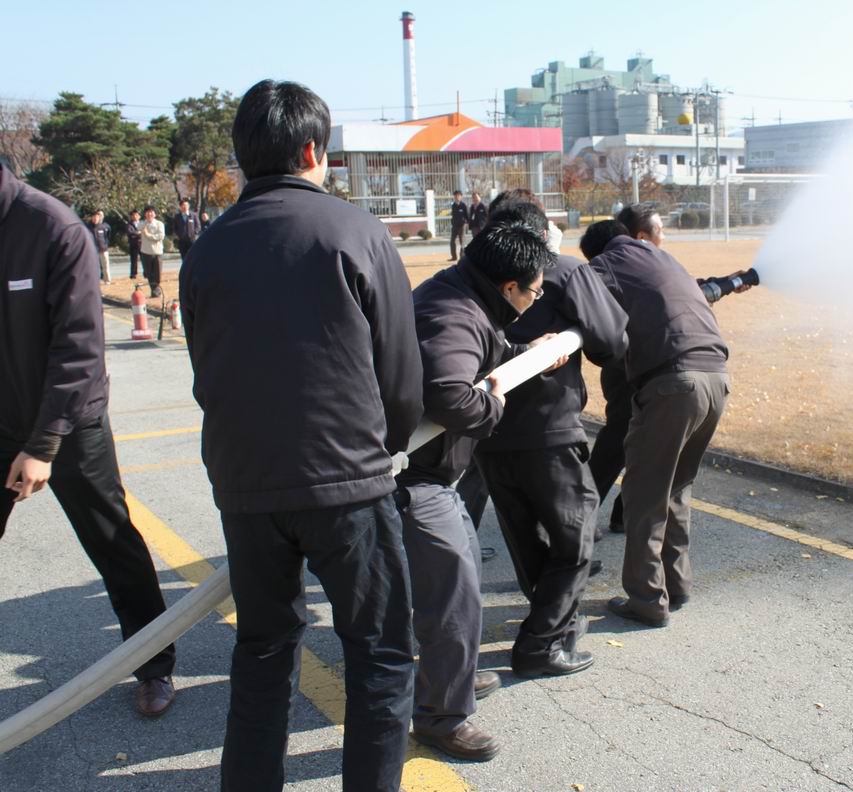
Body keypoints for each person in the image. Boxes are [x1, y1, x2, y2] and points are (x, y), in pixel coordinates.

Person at [180, 79, 423, 792]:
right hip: (347, 477)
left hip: (245, 482)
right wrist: (393, 442)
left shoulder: (206, 249)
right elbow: (401, 372)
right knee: (378, 655)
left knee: (261, 653)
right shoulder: (354, 231)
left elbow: (206, 369)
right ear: (313, 149)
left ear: (242, 155)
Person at [0, 161, 177, 717]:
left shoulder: (53, 229)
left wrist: (43, 445)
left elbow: (78, 350)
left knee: (112, 540)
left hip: (69, 423)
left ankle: (154, 665)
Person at [396, 217, 560, 762]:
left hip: (431, 476)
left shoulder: (463, 296)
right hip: (411, 477)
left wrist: (521, 353)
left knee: (459, 581)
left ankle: (453, 681)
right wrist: (492, 405)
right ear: (509, 286)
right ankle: (441, 717)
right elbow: (450, 393)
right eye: (535, 290)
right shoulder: (453, 314)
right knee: (452, 597)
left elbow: (473, 356)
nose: (536, 297)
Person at [473, 201, 627, 677]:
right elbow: (612, 337)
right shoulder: (561, 269)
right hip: (548, 430)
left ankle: (555, 624)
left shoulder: (466, 278)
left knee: (526, 539)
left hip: (487, 430)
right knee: (575, 538)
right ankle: (541, 643)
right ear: (540, 236)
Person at [584, 220, 731, 628]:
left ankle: (647, 599)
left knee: (643, 495)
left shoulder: (604, 265)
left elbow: (593, 323)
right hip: (717, 379)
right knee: (676, 490)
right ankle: (676, 585)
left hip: (671, 385)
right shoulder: (663, 258)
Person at [588, 205, 753, 536]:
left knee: (649, 451)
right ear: (641, 238)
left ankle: (621, 514)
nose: (664, 236)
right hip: (632, 371)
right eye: (660, 230)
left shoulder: (652, 263)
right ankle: (579, 520)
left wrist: (729, 283)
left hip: (656, 367)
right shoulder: (622, 265)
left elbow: (687, 291)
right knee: (617, 446)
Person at [138, 206, 166, 297]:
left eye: (151, 212)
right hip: (146, 252)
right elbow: (138, 227)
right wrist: (145, 226)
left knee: (157, 272)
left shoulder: (159, 224)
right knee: (149, 272)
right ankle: (153, 290)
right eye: (147, 212)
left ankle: (157, 290)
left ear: (154, 214)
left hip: (157, 252)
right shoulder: (142, 224)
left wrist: (148, 235)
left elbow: (160, 236)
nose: (149, 214)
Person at [89, 209, 112, 283]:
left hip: (103, 249)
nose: (95, 219)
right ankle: (95, 280)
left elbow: (108, 237)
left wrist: (105, 245)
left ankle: (107, 280)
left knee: (106, 266)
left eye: (97, 217)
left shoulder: (105, 226)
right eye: (94, 217)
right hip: (93, 250)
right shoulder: (88, 227)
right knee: (94, 266)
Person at [448, 189, 469, 261]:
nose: (457, 197)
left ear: (461, 197)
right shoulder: (453, 205)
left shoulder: (463, 205)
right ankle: (454, 256)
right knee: (452, 241)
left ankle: (462, 257)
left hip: (462, 226)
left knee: (462, 241)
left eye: (458, 195)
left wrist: (466, 223)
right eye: (455, 196)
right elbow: (453, 215)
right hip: (454, 226)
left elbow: (467, 215)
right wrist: (453, 222)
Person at [126, 210, 142, 278]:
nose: (135, 216)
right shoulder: (129, 224)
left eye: (136, 215)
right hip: (133, 244)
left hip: (142, 244)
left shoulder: (142, 223)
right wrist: (138, 233)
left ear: (139, 216)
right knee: (133, 260)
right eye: (133, 215)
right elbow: (130, 232)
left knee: (144, 259)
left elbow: (145, 231)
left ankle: (146, 273)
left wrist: (140, 233)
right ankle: (133, 274)